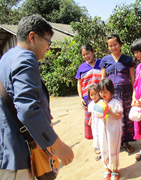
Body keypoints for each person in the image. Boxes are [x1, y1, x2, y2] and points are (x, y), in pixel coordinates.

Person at [0, 14, 74, 180]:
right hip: (19, 154)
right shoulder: (25, 58)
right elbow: (27, 110)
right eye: (48, 41)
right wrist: (58, 146)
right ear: (32, 37)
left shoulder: (7, 57)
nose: (48, 47)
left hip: (7, 150)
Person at [100, 34, 136, 153]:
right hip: (112, 92)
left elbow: (132, 77)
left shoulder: (127, 59)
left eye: (115, 44)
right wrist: (104, 94)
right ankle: (115, 142)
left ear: (120, 44)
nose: (113, 47)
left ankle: (126, 142)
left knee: (125, 116)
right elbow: (103, 79)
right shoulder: (105, 60)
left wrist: (134, 93)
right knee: (113, 115)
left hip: (126, 90)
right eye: (110, 46)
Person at [96, 78, 123, 180]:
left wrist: (110, 112)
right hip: (103, 130)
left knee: (113, 148)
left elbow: (119, 116)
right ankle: (107, 169)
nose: (103, 94)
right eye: (101, 92)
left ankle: (115, 170)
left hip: (113, 131)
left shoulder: (115, 102)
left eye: (105, 92)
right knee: (103, 147)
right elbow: (97, 115)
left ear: (111, 91)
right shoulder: (99, 103)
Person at [75, 43, 102, 140]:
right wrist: (81, 98)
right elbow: (79, 83)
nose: (86, 56)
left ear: (93, 51)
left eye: (88, 53)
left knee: (101, 117)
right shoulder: (81, 67)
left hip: (100, 98)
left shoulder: (101, 63)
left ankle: (103, 140)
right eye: (84, 55)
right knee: (90, 119)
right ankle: (95, 142)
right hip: (87, 99)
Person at [87, 84, 102, 161]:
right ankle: (97, 147)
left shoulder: (102, 102)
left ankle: (104, 149)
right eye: (92, 95)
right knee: (95, 133)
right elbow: (91, 113)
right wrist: (90, 120)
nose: (94, 96)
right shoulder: (91, 104)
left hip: (101, 121)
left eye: (95, 94)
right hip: (94, 122)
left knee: (102, 134)